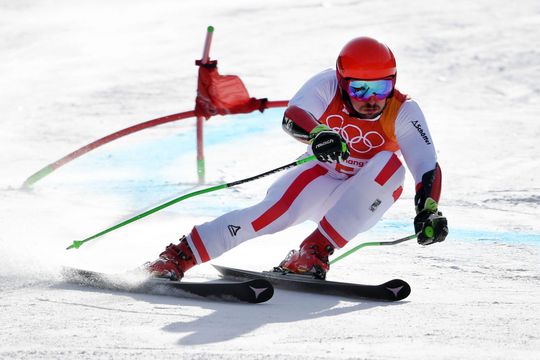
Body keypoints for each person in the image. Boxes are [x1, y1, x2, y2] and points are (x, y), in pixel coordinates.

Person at [145, 36, 449, 281]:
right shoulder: (325, 85)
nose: (371, 99)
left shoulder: (404, 111)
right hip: (321, 176)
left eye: (381, 87)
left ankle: (314, 251)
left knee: (391, 166)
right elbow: (293, 116)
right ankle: (179, 255)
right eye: (359, 88)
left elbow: (426, 165)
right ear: (343, 82)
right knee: (268, 215)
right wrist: (318, 134)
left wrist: (429, 210)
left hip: (361, 199)